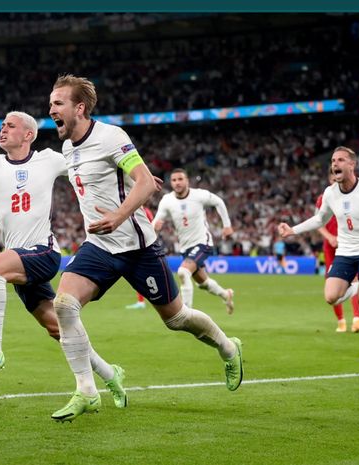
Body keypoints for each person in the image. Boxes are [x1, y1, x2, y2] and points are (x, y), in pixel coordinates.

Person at [48, 74, 243, 422]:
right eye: (50, 103)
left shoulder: (111, 136)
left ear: (80, 108)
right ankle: (87, 391)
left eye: (58, 103)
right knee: (64, 305)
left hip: (138, 247)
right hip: (99, 246)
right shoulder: (67, 148)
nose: (52, 110)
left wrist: (121, 214)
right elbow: (121, 181)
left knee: (178, 319)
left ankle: (229, 349)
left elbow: (144, 181)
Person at [0, 111, 127, 408]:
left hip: (43, 252)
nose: (2, 129)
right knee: (59, 330)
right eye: (1, 125)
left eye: (10, 126)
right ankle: (110, 374)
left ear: (28, 135)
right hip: (20, 262)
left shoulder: (50, 159)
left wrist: (128, 173)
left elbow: (86, 168)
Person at [278, 146, 359, 363]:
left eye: (340, 160)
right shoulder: (330, 193)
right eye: (332, 160)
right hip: (345, 251)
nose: (334, 163)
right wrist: (293, 230)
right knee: (330, 296)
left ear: (351, 165)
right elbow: (319, 220)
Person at [152, 168, 235, 314]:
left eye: (180, 179)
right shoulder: (167, 200)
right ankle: (225, 294)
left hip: (202, 242)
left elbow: (219, 202)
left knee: (183, 272)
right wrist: (155, 227)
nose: (177, 183)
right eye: (174, 180)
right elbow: (156, 223)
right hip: (185, 247)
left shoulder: (199, 195)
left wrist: (227, 225)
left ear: (187, 181)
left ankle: (186, 314)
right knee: (203, 283)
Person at [316, 170, 359, 333]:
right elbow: (318, 223)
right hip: (330, 247)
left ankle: (357, 319)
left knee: (355, 280)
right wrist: (329, 237)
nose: (336, 179)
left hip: (349, 245)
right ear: (330, 179)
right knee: (333, 283)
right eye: (333, 177)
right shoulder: (324, 198)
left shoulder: (353, 197)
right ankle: (341, 321)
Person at [126, 204, 155, 310]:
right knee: (138, 275)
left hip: (142, 247)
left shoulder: (143, 211)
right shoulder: (137, 209)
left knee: (142, 275)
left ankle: (144, 301)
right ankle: (141, 301)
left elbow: (150, 227)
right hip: (137, 246)